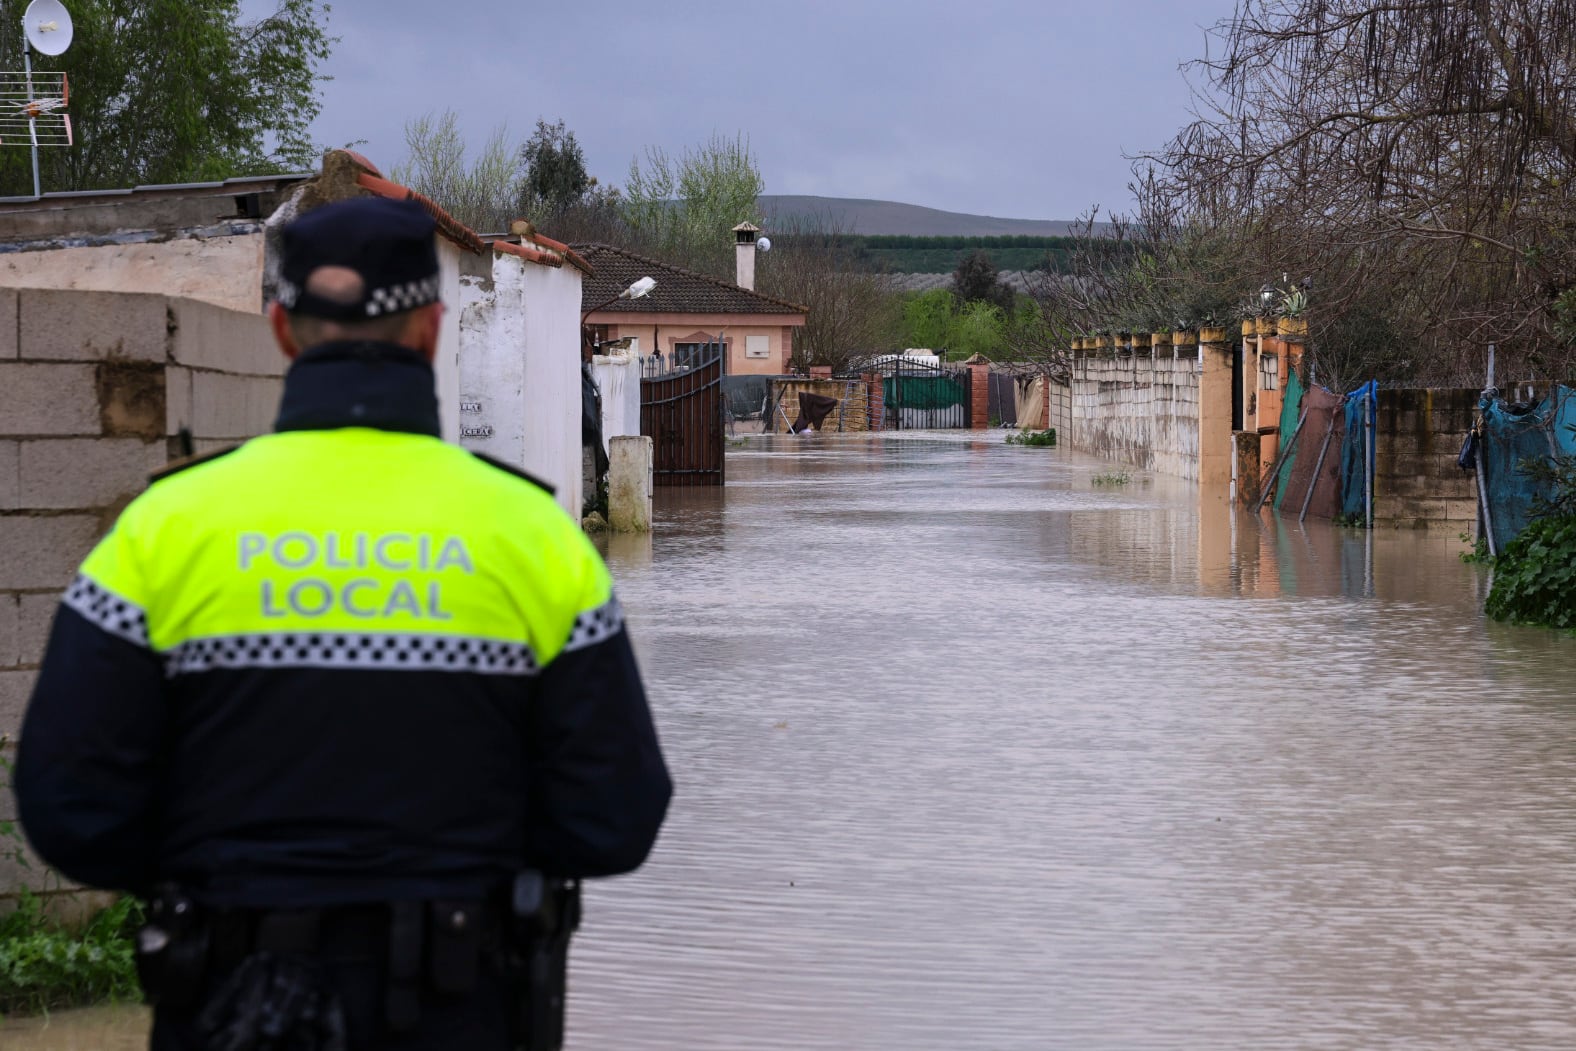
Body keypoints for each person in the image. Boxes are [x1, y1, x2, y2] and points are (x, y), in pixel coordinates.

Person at [14, 195, 672, 1050]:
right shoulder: (533, 535)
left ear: (283, 331)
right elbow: (616, 814)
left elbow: (67, 806)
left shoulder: (164, 529)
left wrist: (220, 875)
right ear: (433, 329)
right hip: (462, 1007)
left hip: (228, 1005)